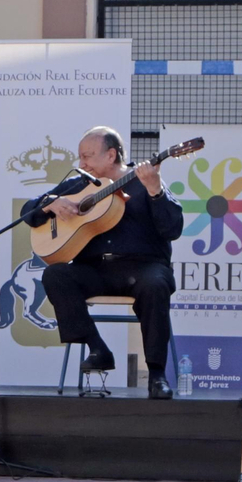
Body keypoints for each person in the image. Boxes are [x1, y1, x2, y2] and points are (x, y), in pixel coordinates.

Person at [22, 126, 184, 399]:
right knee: (56, 275)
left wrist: (155, 190)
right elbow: (28, 211)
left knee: (156, 285)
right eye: (80, 157)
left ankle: (157, 375)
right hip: (95, 269)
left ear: (111, 155)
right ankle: (98, 348)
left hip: (144, 267)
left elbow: (173, 229)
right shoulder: (79, 185)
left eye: (87, 156)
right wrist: (50, 202)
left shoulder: (145, 180)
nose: (82, 163)